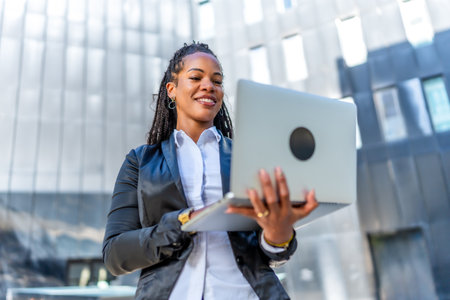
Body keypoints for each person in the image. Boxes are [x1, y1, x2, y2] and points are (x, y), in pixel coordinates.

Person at [102, 42, 318, 300]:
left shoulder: (249, 157)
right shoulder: (140, 162)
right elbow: (115, 255)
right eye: (195, 77)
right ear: (171, 90)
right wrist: (186, 221)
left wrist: (277, 234)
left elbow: (274, 251)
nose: (209, 86)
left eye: (217, 81)